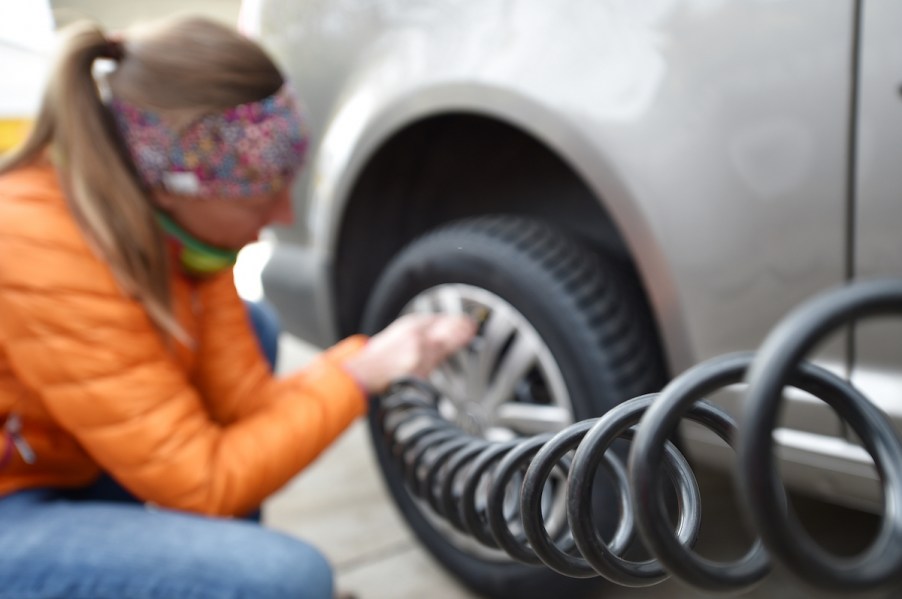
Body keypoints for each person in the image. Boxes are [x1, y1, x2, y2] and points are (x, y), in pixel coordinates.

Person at [0, 15, 475, 599]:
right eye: (261, 192)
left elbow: (248, 408)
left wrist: (364, 361)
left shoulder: (181, 231)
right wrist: (359, 375)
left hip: (60, 457)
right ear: (176, 182)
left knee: (257, 325)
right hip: (12, 500)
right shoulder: (39, 248)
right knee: (290, 577)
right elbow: (206, 481)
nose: (282, 215)